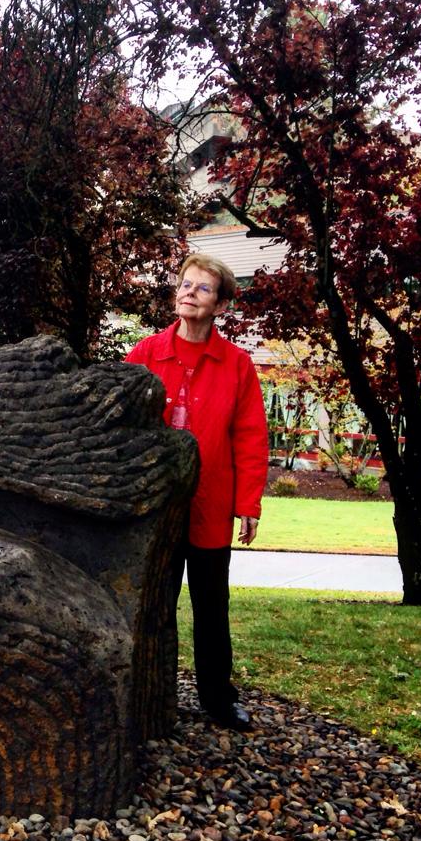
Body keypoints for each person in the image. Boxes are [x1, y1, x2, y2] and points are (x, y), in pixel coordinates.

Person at [125, 253, 268, 730]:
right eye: (185, 284)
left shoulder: (238, 365)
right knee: (153, 601)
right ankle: (149, 693)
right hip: (154, 506)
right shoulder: (145, 354)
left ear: (221, 304)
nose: (188, 292)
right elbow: (119, 423)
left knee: (211, 605)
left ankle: (218, 698)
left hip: (210, 503)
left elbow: (250, 438)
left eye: (202, 288)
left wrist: (248, 504)